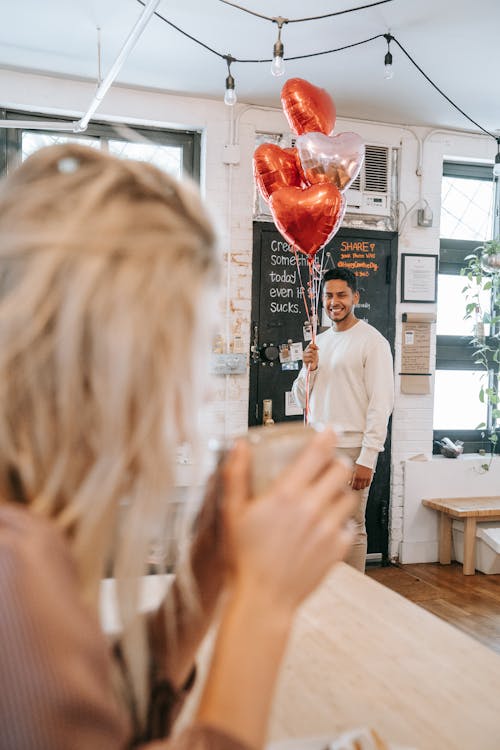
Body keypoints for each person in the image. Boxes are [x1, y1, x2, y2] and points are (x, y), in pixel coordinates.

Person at [0, 143, 356, 750]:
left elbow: (90, 711)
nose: (178, 404)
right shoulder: (14, 562)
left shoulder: (28, 530)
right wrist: (263, 603)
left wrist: (209, 566)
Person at [292, 267, 394, 572]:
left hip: (352, 451)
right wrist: (308, 368)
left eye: (341, 295)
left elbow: (382, 403)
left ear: (355, 297)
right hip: (319, 449)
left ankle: (354, 598)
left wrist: (368, 458)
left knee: (350, 526)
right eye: (329, 296)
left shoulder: (372, 342)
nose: (334, 302)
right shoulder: (319, 341)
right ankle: (329, 590)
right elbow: (302, 400)